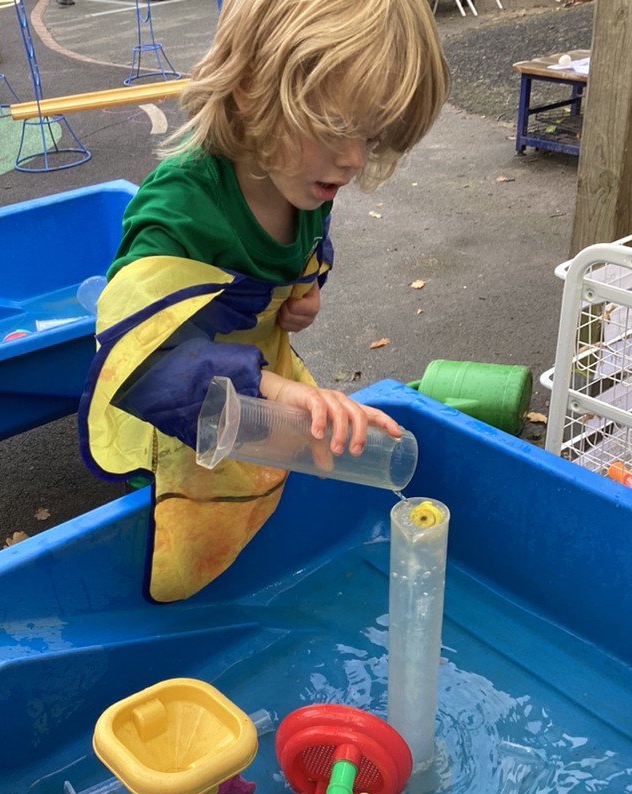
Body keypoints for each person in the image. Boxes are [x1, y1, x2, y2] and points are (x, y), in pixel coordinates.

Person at [79, 0, 449, 604]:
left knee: (274, 500)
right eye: (336, 127)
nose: (354, 159)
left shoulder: (305, 179)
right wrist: (273, 391)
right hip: (184, 415)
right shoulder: (180, 207)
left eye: (372, 135)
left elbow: (311, 242)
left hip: (260, 391)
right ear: (251, 90)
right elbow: (136, 361)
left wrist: (307, 291)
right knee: (179, 537)